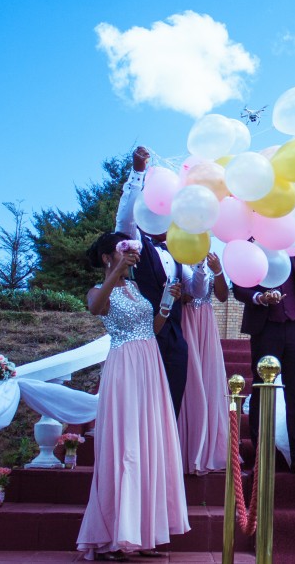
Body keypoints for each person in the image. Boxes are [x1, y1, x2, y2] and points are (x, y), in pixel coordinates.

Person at [76, 232, 189, 562]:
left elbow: (151, 329)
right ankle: (112, 536)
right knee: (125, 449)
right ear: (107, 258)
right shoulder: (99, 290)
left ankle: (142, 534)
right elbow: (97, 308)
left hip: (150, 366)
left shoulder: (137, 289)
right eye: (123, 250)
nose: (132, 255)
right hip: (124, 368)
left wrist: (167, 302)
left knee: (149, 446)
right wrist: (115, 271)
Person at [231, 210, 295, 477]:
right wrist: (259, 299)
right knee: (263, 391)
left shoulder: (293, 238)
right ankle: (261, 458)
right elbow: (239, 286)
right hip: (265, 328)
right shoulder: (248, 243)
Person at [117, 146, 191, 416]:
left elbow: (197, 290)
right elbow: (125, 218)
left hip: (174, 336)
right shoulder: (136, 244)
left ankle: (167, 457)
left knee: (173, 402)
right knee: (143, 406)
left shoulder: (180, 251)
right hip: (144, 334)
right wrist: (138, 174)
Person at [177, 251, 229, 474]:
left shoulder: (208, 261)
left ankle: (207, 446)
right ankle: (182, 448)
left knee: (208, 380)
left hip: (205, 324)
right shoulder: (174, 258)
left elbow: (223, 296)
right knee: (188, 380)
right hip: (183, 321)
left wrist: (217, 270)